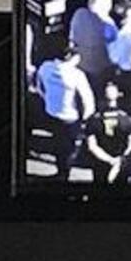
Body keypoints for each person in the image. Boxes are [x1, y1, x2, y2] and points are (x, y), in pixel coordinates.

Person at [35, 44, 95, 180]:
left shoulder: (45, 67)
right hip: (70, 117)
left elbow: (39, 87)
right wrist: (87, 119)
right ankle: (65, 173)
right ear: (72, 57)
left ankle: (60, 170)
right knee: (69, 147)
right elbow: (87, 99)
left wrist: (48, 100)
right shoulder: (77, 75)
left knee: (57, 142)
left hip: (51, 113)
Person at [83, 81, 131, 183]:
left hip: (100, 162)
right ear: (118, 95)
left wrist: (109, 160)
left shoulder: (94, 119)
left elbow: (92, 146)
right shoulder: (126, 118)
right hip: (121, 162)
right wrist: (122, 159)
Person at [67, 0, 117, 95]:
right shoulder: (108, 24)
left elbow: (72, 38)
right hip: (100, 69)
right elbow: (115, 52)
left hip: (80, 64)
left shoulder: (79, 14)